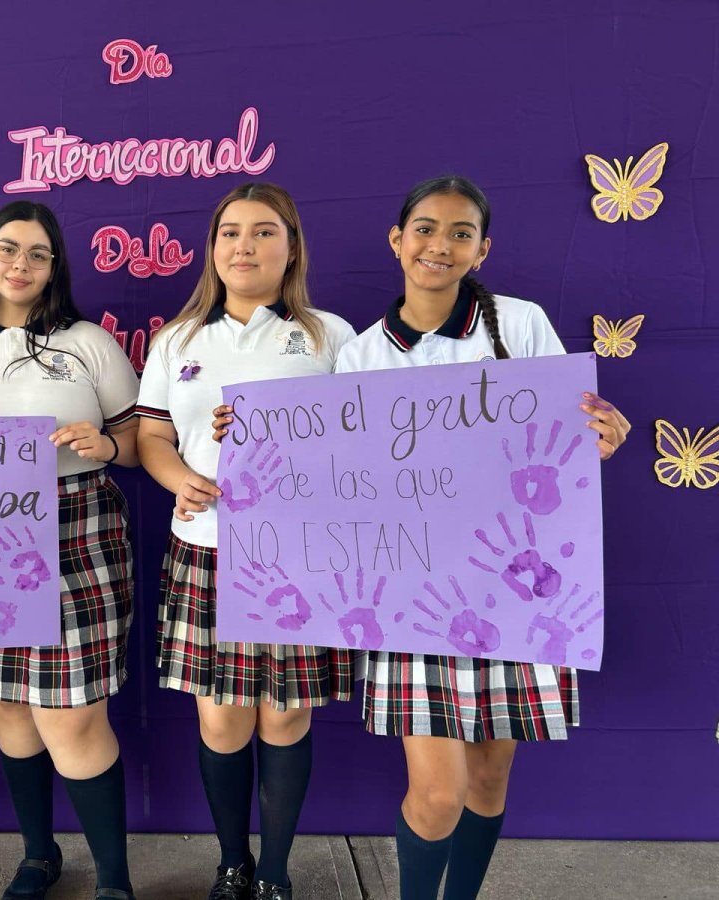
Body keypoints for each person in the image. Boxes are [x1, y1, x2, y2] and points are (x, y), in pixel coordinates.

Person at [329, 175, 629, 900]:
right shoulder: (361, 356)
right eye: (425, 229)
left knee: (489, 781)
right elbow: (335, 473)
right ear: (397, 240)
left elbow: (563, 438)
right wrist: (251, 439)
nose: (441, 245)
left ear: (482, 250)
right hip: (414, 594)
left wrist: (600, 437)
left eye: (461, 233)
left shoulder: (520, 325)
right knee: (438, 794)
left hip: (515, 584)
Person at [136, 182, 356, 900]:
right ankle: (232, 863)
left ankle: (276, 871)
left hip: (299, 552)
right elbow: (152, 435)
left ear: (291, 248)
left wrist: (286, 435)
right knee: (222, 718)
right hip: (206, 548)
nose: (244, 246)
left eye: (264, 232)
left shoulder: (330, 336)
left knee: (286, 714)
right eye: (231, 232)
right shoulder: (178, 340)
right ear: (212, 248)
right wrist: (181, 478)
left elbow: (365, 437)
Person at [0, 201, 141, 900]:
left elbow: (138, 441)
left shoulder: (89, 343)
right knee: (10, 706)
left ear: (55, 266)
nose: (20, 264)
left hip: (77, 529)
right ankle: (40, 856)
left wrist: (106, 444)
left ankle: (114, 882)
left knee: (74, 713)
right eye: (8, 249)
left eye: (37, 253)